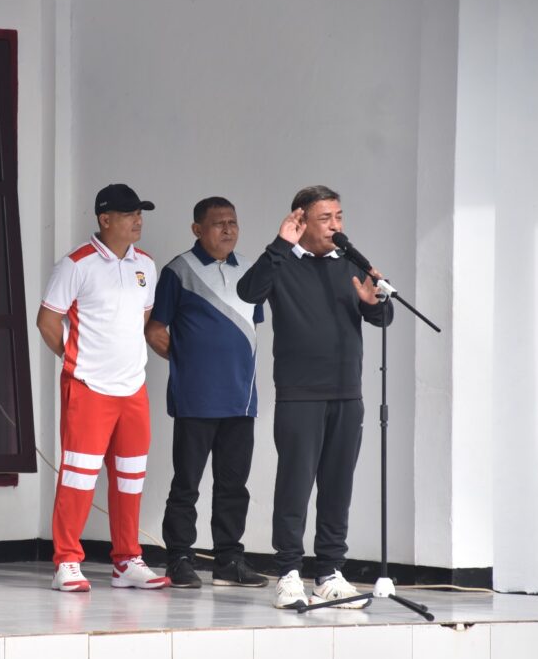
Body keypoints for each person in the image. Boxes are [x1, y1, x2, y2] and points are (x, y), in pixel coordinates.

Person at [236, 185, 391, 609]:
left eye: (339, 216)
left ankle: (329, 573)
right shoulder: (281, 261)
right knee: (295, 485)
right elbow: (248, 292)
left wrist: (373, 302)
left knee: (338, 487)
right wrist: (279, 244)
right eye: (326, 218)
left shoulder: (349, 263)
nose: (335, 226)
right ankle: (288, 573)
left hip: (347, 393)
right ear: (300, 221)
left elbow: (383, 315)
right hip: (300, 393)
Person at [36, 183, 169, 592]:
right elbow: (47, 321)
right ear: (105, 219)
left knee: (130, 477)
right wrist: (76, 361)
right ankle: (66, 562)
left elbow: (143, 320)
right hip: (88, 388)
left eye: (140, 213)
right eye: (129, 214)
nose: (137, 221)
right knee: (78, 477)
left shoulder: (146, 264)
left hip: (133, 389)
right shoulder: (77, 264)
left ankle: (127, 561)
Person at [144, 196, 268, 590]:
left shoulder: (250, 271)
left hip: (240, 399)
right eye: (218, 223)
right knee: (187, 483)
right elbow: (154, 330)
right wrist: (187, 360)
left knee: (234, 486)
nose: (228, 229)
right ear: (197, 229)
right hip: (195, 399)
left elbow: (252, 325)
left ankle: (229, 560)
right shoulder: (178, 271)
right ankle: (179, 558)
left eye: (233, 222)